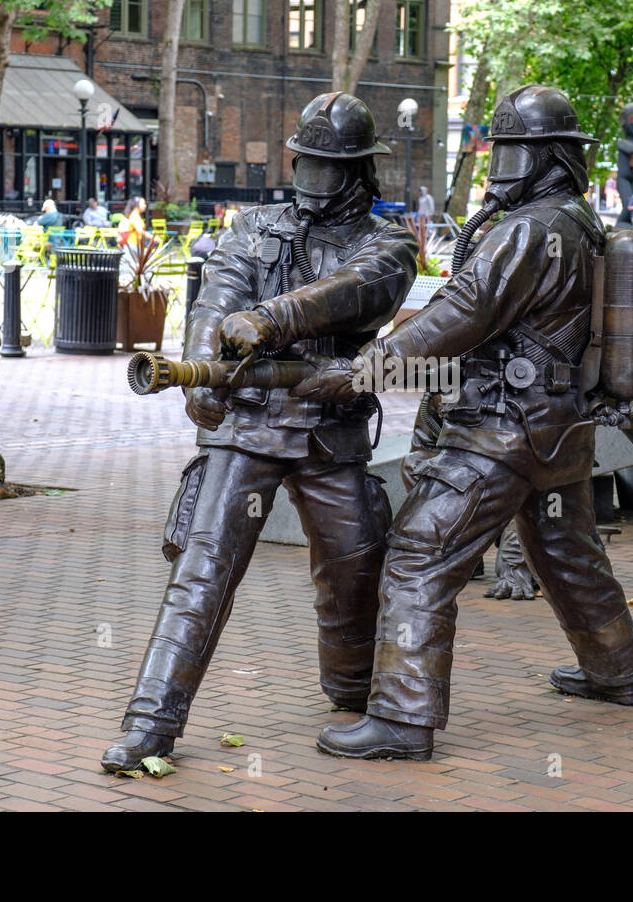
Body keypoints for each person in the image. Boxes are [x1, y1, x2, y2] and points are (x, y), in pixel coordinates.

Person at [300, 84, 633, 761]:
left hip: (500, 430)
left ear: (540, 156)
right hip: (560, 430)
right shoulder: (577, 220)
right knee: (568, 551)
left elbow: (459, 313)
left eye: (511, 151)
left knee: (419, 551)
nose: (500, 167)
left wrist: (368, 367)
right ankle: (615, 668)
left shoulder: (525, 231)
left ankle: (403, 717)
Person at [100, 92, 418, 773]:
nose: (313, 178)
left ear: (359, 172)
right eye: (307, 162)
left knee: (355, 569)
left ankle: (352, 690)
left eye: (328, 167)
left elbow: (365, 290)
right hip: (246, 425)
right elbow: (214, 298)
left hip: (331, 432)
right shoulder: (253, 227)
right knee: (202, 570)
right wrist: (200, 377)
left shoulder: (386, 242)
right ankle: (150, 721)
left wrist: (273, 317)